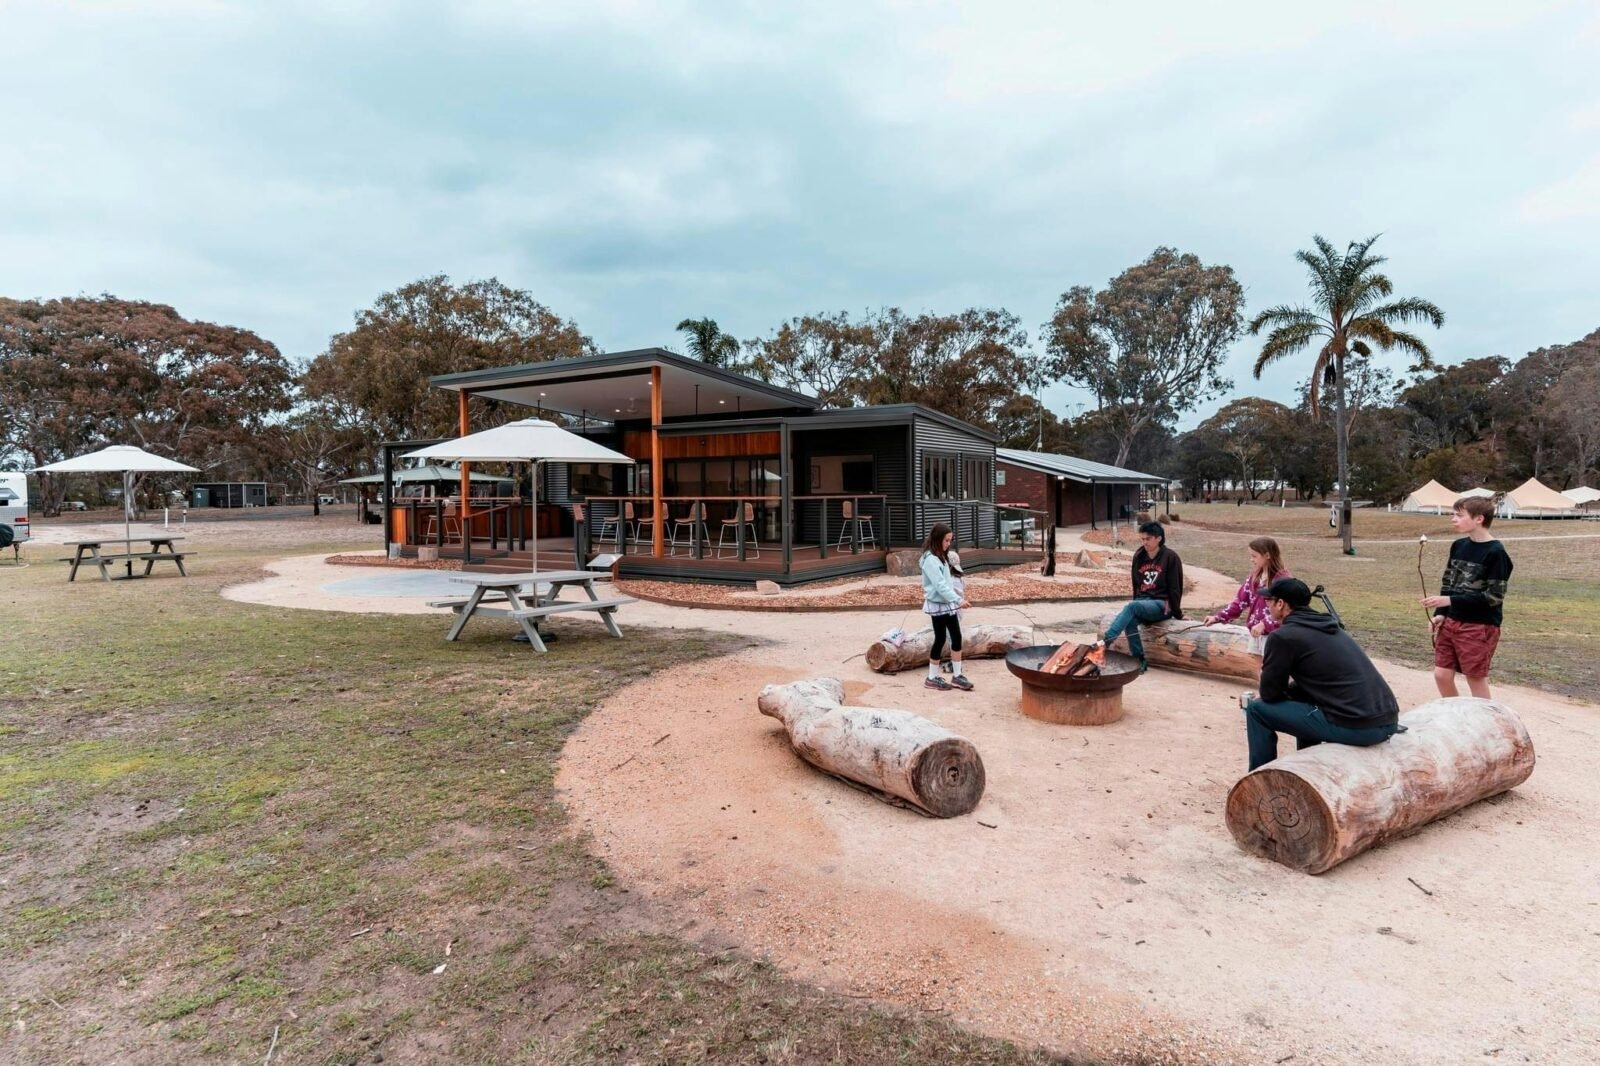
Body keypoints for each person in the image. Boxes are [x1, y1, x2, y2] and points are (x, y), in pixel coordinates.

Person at [1242, 578, 1401, 771]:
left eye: (1269, 600)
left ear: (1281, 603)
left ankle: (1259, 780)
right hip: (1387, 720)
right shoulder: (1330, 627)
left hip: (1359, 727)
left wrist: (1280, 692)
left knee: (1257, 710)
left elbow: (1270, 693)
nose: (1266, 604)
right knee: (1304, 701)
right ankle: (1308, 768)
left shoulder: (1283, 637)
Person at [1422, 496, 1513, 699]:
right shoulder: (1458, 546)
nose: (1453, 519)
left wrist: (1450, 601)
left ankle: (1485, 723)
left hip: (1479, 626)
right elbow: (1448, 583)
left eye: (1459, 515)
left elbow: (1494, 597)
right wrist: (1441, 613)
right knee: (1442, 674)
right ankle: (1457, 717)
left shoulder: (1496, 552)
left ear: (1479, 519)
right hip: (1451, 622)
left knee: (1475, 678)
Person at [1094, 521, 1183, 673]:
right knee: (1130, 617)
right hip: (1143, 603)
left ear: (1159, 538)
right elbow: (1136, 584)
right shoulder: (1139, 556)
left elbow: (1175, 588)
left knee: (1132, 607)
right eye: (1142, 539)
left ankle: (1105, 643)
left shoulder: (1170, 557)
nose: (1144, 542)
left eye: (1148, 539)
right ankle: (1139, 659)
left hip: (1163, 604)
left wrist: (1178, 613)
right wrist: (1137, 604)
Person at [1204, 537, 1290, 655]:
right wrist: (1218, 617)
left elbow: (1286, 610)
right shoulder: (1254, 578)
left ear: (1267, 555)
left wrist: (1264, 624)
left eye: (1254, 556)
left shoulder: (1283, 580)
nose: (1251, 559)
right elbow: (1240, 602)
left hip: (1275, 635)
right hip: (1255, 633)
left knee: (1271, 671)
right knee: (1259, 671)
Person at [919, 523, 973, 691]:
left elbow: (946, 584)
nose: (949, 543)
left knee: (956, 637)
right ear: (937, 540)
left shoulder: (941, 556)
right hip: (938, 605)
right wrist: (958, 600)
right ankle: (932, 677)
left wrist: (954, 600)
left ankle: (957, 676)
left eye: (950, 540)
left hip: (948, 604)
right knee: (941, 639)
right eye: (946, 540)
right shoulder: (930, 560)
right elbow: (940, 586)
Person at [938, 548, 967, 674]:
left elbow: (945, 594)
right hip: (958, 611)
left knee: (951, 638)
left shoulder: (950, 581)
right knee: (952, 637)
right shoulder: (959, 578)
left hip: (951, 612)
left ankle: (954, 664)